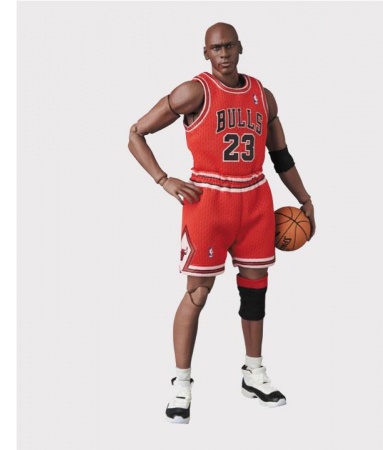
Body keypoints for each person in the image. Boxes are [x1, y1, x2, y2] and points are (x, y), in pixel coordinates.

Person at [128, 22, 316, 424]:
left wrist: (305, 199)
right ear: (206, 53)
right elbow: (136, 133)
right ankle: (181, 383)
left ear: (240, 47)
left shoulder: (263, 96)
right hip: (208, 202)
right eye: (216, 48)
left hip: (255, 199)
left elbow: (281, 156)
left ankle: (254, 372)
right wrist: (163, 179)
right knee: (198, 293)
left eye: (229, 45)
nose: (224, 53)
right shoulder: (194, 92)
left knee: (255, 289)